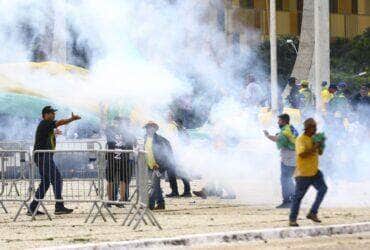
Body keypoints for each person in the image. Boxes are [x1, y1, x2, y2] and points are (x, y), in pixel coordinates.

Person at [29, 106, 81, 215]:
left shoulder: (46, 125)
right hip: (43, 157)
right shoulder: (45, 123)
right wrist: (71, 119)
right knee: (57, 179)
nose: (54, 115)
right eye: (51, 113)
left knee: (46, 183)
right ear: (46, 115)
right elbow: (61, 122)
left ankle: (32, 207)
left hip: (43, 157)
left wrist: (54, 134)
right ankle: (59, 206)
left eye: (54, 113)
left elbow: (48, 135)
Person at [289, 118, 328, 227]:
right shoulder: (301, 140)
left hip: (314, 172)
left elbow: (319, 153)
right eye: (313, 128)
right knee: (298, 198)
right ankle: (292, 219)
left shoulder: (313, 139)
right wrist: (314, 146)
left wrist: (320, 145)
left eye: (315, 127)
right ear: (307, 128)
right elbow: (301, 154)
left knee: (323, 189)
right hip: (303, 174)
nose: (315, 130)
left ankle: (312, 212)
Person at [144, 121, 184, 210]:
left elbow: (164, 155)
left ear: (154, 129)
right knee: (156, 185)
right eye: (147, 128)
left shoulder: (161, 140)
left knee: (154, 185)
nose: (148, 130)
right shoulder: (146, 138)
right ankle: (160, 203)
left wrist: (158, 166)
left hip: (158, 166)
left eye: (150, 127)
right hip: (151, 165)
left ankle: (150, 203)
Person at [264, 114, 298, 208]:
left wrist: (267, 135)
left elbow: (277, 139)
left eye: (279, 121)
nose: (278, 122)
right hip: (292, 156)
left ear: (284, 121)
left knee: (285, 179)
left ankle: (287, 201)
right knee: (288, 178)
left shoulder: (286, 130)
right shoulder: (290, 128)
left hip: (289, 156)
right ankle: (295, 198)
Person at [105, 116, 137, 207]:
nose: (117, 124)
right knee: (111, 180)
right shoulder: (111, 130)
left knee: (122, 180)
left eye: (118, 122)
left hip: (123, 160)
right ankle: (111, 201)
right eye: (116, 122)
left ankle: (120, 201)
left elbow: (134, 143)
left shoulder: (126, 133)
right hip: (113, 159)